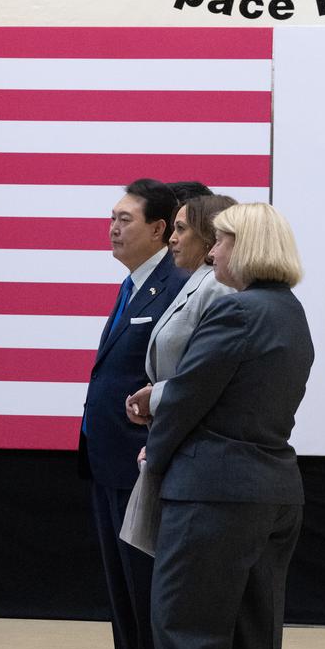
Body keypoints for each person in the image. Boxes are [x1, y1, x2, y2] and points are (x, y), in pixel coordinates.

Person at [131, 204, 315, 649]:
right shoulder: (291, 314)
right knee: (250, 646)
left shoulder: (233, 310)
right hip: (274, 492)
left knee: (186, 638)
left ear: (248, 245)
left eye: (223, 243)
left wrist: (152, 456)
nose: (211, 254)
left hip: (213, 495)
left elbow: (184, 397)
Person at [78, 178, 188, 649]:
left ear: (159, 229)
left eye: (125, 218)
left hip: (141, 461)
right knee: (120, 585)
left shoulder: (176, 287)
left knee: (147, 586)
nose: (114, 227)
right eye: (111, 217)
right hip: (106, 461)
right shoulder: (131, 287)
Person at [120, 194, 237, 558]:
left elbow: (208, 375)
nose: (171, 237)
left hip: (194, 453)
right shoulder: (194, 281)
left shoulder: (216, 287)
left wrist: (157, 397)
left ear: (208, 236)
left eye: (181, 229)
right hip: (173, 443)